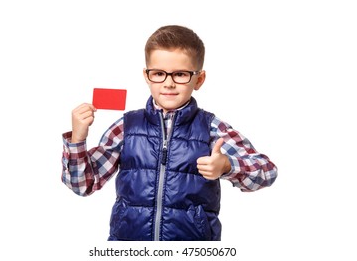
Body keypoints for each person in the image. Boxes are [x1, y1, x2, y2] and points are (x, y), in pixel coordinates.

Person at [61, 25, 278, 241]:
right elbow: (83, 185)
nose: (169, 83)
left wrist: (228, 166)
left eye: (181, 74)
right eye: (159, 74)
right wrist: (77, 141)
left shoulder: (212, 128)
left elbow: (267, 171)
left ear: (199, 80)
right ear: (147, 76)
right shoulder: (127, 127)